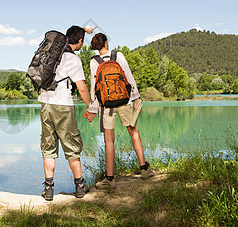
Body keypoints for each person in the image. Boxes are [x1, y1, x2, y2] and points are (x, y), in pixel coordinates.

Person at [38, 25, 97, 201]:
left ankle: (48, 190)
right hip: (62, 105)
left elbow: (73, 32)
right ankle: (80, 186)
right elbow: (82, 88)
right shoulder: (73, 59)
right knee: (72, 146)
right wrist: (91, 107)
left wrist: (83, 29)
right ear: (79, 41)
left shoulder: (52, 54)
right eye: (81, 41)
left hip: (45, 104)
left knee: (48, 147)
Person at [89, 33, 154, 189]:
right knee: (134, 133)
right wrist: (136, 97)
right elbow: (128, 77)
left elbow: (94, 86)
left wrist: (92, 108)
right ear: (105, 43)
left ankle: (110, 179)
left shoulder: (94, 61)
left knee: (109, 141)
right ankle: (144, 169)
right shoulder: (118, 55)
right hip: (124, 102)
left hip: (106, 106)